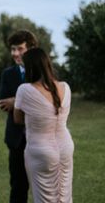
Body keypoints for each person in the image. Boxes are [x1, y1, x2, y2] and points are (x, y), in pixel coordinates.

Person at [14, 48, 73, 203]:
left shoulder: (24, 89)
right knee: (65, 196)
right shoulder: (65, 87)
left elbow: (18, 119)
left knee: (43, 199)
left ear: (30, 67)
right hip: (65, 147)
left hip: (40, 150)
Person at [0, 29, 39, 203]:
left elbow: (44, 101)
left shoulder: (41, 72)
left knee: (42, 185)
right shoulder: (7, 74)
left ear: (30, 49)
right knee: (18, 185)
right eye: (13, 49)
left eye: (20, 49)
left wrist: (16, 99)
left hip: (39, 138)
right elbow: (3, 103)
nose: (15, 53)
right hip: (15, 139)